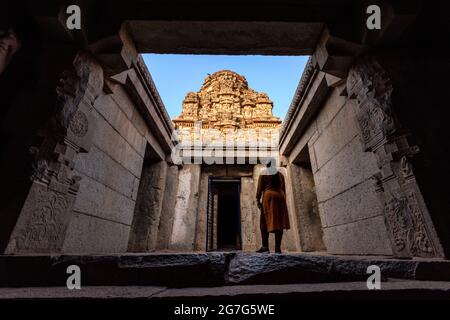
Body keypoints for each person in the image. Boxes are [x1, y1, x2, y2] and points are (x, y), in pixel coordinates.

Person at [256, 159, 290, 253]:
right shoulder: (281, 175)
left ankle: (265, 247)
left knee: (264, 221)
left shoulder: (264, 173)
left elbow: (260, 189)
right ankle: (277, 248)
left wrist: (258, 200)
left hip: (269, 197)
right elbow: (283, 189)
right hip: (280, 197)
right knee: (279, 222)